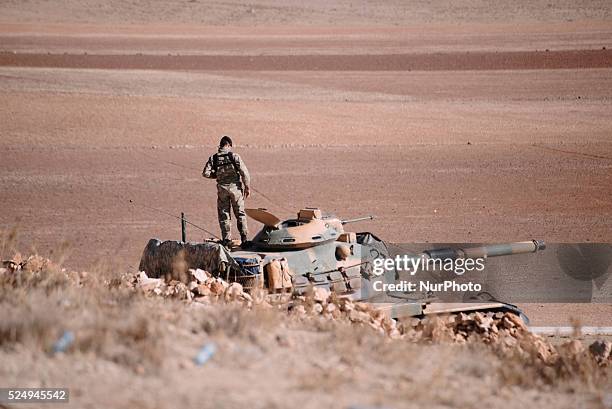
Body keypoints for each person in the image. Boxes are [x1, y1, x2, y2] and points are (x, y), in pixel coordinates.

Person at [202, 135, 250, 247]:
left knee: (224, 214)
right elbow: (245, 173)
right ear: (228, 145)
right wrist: (247, 187)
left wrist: (218, 175)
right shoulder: (234, 156)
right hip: (235, 189)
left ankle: (226, 239)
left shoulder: (213, 158)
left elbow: (205, 173)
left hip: (222, 189)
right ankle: (244, 239)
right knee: (240, 213)